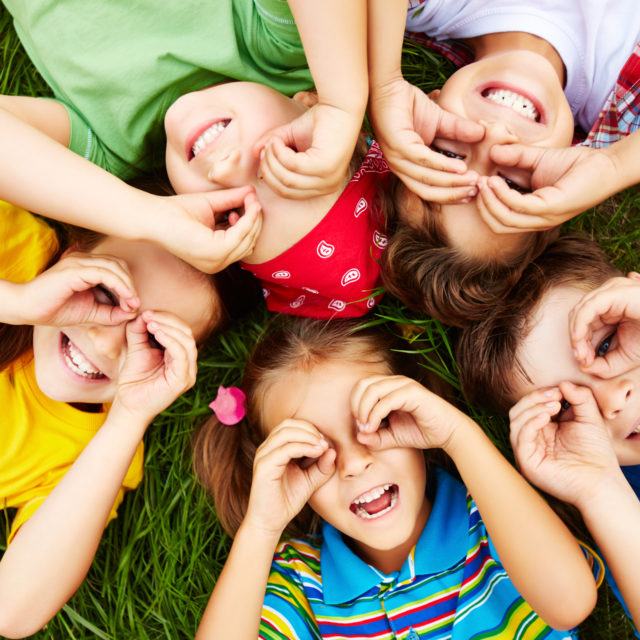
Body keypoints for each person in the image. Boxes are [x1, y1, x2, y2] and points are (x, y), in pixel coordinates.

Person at [191, 317, 598, 639]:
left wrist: (458, 435)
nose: (354, 463)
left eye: (377, 421)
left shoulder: (495, 517)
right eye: (311, 453)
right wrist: (261, 527)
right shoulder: (302, 583)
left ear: (417, 411)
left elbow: (572, 604)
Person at [0, 201, 233, 638]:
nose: (106, 343)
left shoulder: (96, 452)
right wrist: (17, 302)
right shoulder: (14, 247)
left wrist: (129, 417)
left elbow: (11, 609)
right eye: (105, 294)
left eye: (151, 339)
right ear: (71, 259)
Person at [366, 0, 640, 326]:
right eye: (511, 184)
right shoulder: (625, 115)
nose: (494, 137)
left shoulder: (427, 9)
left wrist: (383, 83)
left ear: (426, 107)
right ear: (562, 181)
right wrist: (612, 165)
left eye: (449, 155)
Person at [455, 234, 640, 634]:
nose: (611, 403)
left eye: (606, 345)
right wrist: (599, 490)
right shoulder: (625, 514)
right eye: (570, 408)